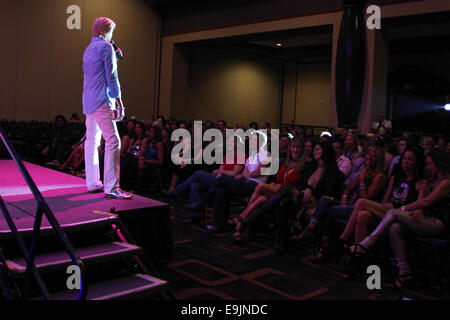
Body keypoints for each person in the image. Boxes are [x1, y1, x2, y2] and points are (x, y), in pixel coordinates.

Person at [352, 149, 450, 289]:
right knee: (395, 228)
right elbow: (422, 202)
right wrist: (418, 208)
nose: (428, 167)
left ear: (439, 164)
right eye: (427, 164)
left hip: (438, 223)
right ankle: (404, 272)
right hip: (425, 218)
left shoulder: (446, 182)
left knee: (393, 213)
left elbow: (425, 202)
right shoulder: (432, 180)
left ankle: (366, 244)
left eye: (430, 164)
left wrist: (403, 209)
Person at [82, 17, 131, 199]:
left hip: (88, 100)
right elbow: (111, 76)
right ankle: (111, 186)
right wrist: (118, 100)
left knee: (92, 141)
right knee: (113, 140)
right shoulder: (106, 47)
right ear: (106, 30)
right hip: (102, 99)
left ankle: (92, 182)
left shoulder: (88, 49)